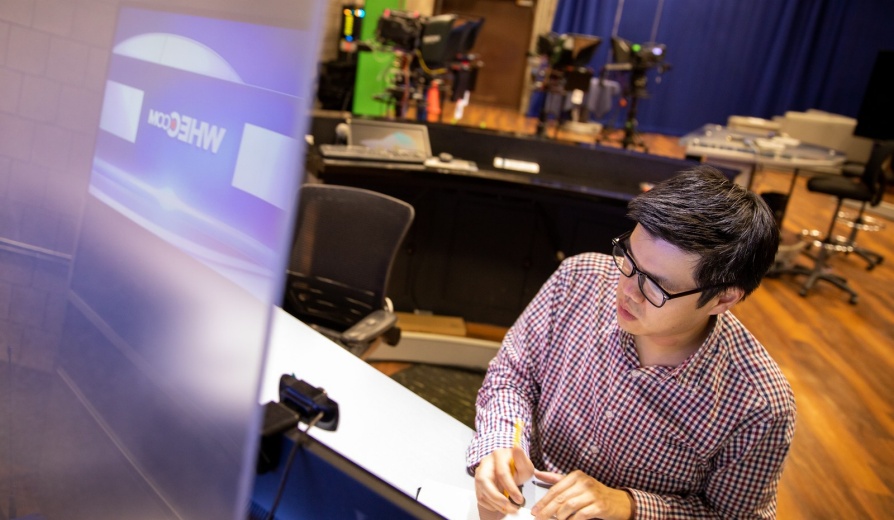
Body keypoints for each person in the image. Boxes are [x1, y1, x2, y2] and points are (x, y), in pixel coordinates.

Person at [466, 165, 796, 519]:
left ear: (723, 299)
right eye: (630, 259)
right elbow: (512, 374)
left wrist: (628, 505)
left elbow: (733, 517)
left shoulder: (759, 407)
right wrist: (503, 440)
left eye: (656, 285)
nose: (627, 290)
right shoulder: (578, 280)